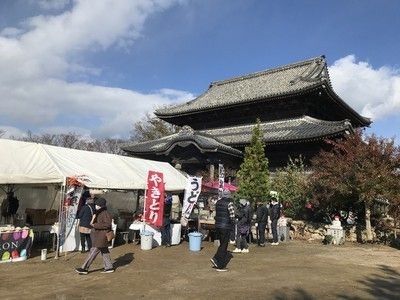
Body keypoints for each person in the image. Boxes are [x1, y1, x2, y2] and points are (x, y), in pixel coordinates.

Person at [75, 197, 115, 274]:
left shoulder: (105, 213)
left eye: (96, 204)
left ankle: (84, 268)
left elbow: (107, 225)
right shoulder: (100, 212)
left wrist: (95, 225)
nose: (95, 206)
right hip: (100, 235)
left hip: (102, 236)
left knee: (93, 251)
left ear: (100, 205)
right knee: (104, 251)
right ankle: (109, 267)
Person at [210, 190, 236, 272]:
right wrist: (233, 223)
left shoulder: (218, 202)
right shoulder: (229, 203)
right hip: (225, 226)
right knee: (224, 245)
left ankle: (218, 260)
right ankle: (218, 263)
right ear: (229, 195)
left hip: (218, 225)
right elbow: (232, 216)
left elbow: (217, 214)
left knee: (222, 244)